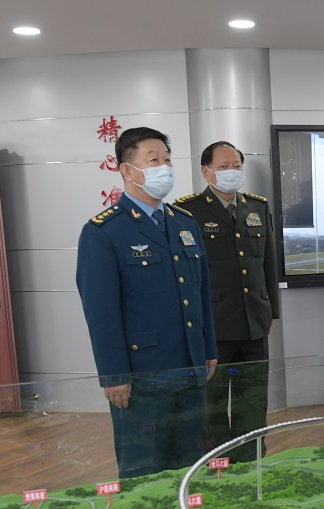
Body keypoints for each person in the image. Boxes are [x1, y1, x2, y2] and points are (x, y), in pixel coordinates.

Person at [76, 127, 218, 478]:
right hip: (142, 377)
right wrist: (114, 376)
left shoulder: (184, 223)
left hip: (190, 368)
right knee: (145, 469)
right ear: (127, 170)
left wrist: (208, 350)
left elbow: (201, 293)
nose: (164, 168)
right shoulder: (103, 232)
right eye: (153, 160)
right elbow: (101, 314)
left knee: (191, 466)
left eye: (167, 160)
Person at [175, 141, 279, 462]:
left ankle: (251, 459)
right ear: (206, 172)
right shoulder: (187, 211)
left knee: (253, 399)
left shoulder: (256, 207)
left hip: (254, 322)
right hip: (213, 325)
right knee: (214, 403)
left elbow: (268, 263)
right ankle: (217, 461)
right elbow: (185, 273)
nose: (232, 171)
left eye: (236, 165)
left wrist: (270, 310)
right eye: (223, 166)